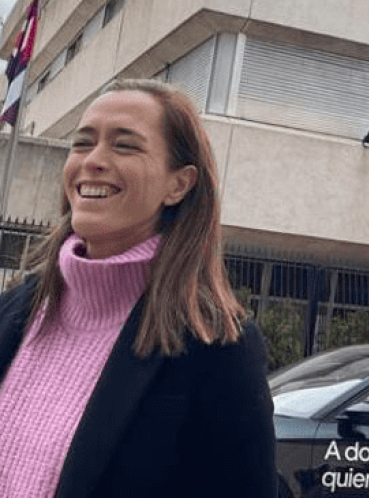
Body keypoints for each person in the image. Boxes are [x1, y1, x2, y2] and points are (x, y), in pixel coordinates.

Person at [0, 79, 277, 497]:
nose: (93, 160)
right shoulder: (11, 312)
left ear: (178, 185)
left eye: (124, 145)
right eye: (82, 143)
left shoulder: (216, 347)